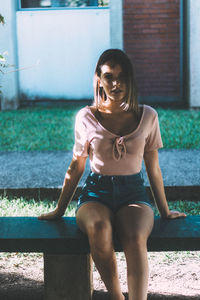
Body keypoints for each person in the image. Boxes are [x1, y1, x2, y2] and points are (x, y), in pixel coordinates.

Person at [38, 49, 186, 300]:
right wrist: (59, 210)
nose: (116, 83)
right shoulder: (86, 117)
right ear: (99, 80)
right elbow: (76, 167)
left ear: (130, 79)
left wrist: (165, 211)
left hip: (133, 194)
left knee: (135, 236)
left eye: (122, 76)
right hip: (96, 193)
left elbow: (153, 168)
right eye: (109, 76)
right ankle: (117, 297)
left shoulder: (147, 115)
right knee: (99, 228)